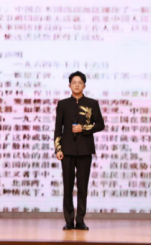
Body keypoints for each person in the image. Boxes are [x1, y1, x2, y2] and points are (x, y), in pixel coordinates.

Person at [54, 71, 105, 231]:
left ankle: (80, 220)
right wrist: (58, 149)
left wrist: (83, 128)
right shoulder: (63, 104)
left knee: (83, 187)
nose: (77, 85)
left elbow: (100, 124)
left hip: (85, 150)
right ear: (69, 85)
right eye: (74, 83)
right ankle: (69, 221)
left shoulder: (92, 103)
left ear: (84, 85)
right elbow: (58, 128)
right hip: (67, 151)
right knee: (67, 187)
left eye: (80, 82)